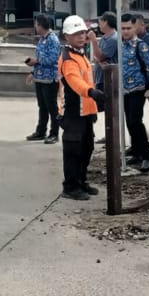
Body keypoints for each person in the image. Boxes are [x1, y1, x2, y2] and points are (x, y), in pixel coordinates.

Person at [58, 16, 106, 200]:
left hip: (85, 111)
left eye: (83, 33)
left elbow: (87, 79)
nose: (81, 36)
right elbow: (75, 82)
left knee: (87, 148)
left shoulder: (81, 54)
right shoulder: (69, 57)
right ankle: (70, 186)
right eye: (76, 34)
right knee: (73, 150)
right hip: (72, 112)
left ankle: (81, 180)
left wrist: (94, 106)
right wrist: (91, 92)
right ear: (66, 37)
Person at [120, 14, 149, 174]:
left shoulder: (141, 46)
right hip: (124, 90)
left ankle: (147, 156)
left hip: (138, 89)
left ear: (135, 27)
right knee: (129, 122)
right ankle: (136, 151)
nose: (125, 31)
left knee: (135, 121)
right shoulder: (121, 46)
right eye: (123, 28)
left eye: (128, 28)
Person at [24, 14, 62, 144]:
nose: (35, 27)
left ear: (40, 25)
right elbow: (39, 58)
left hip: (50, 78)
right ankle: (41, 131)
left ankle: (54, 133)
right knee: (42, 106)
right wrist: (33, 72)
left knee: (52, 107)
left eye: (36, 24)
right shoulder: (41, 39)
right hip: (40, 77)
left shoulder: (53, 40)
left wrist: (36, 61)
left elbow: (53, 59)